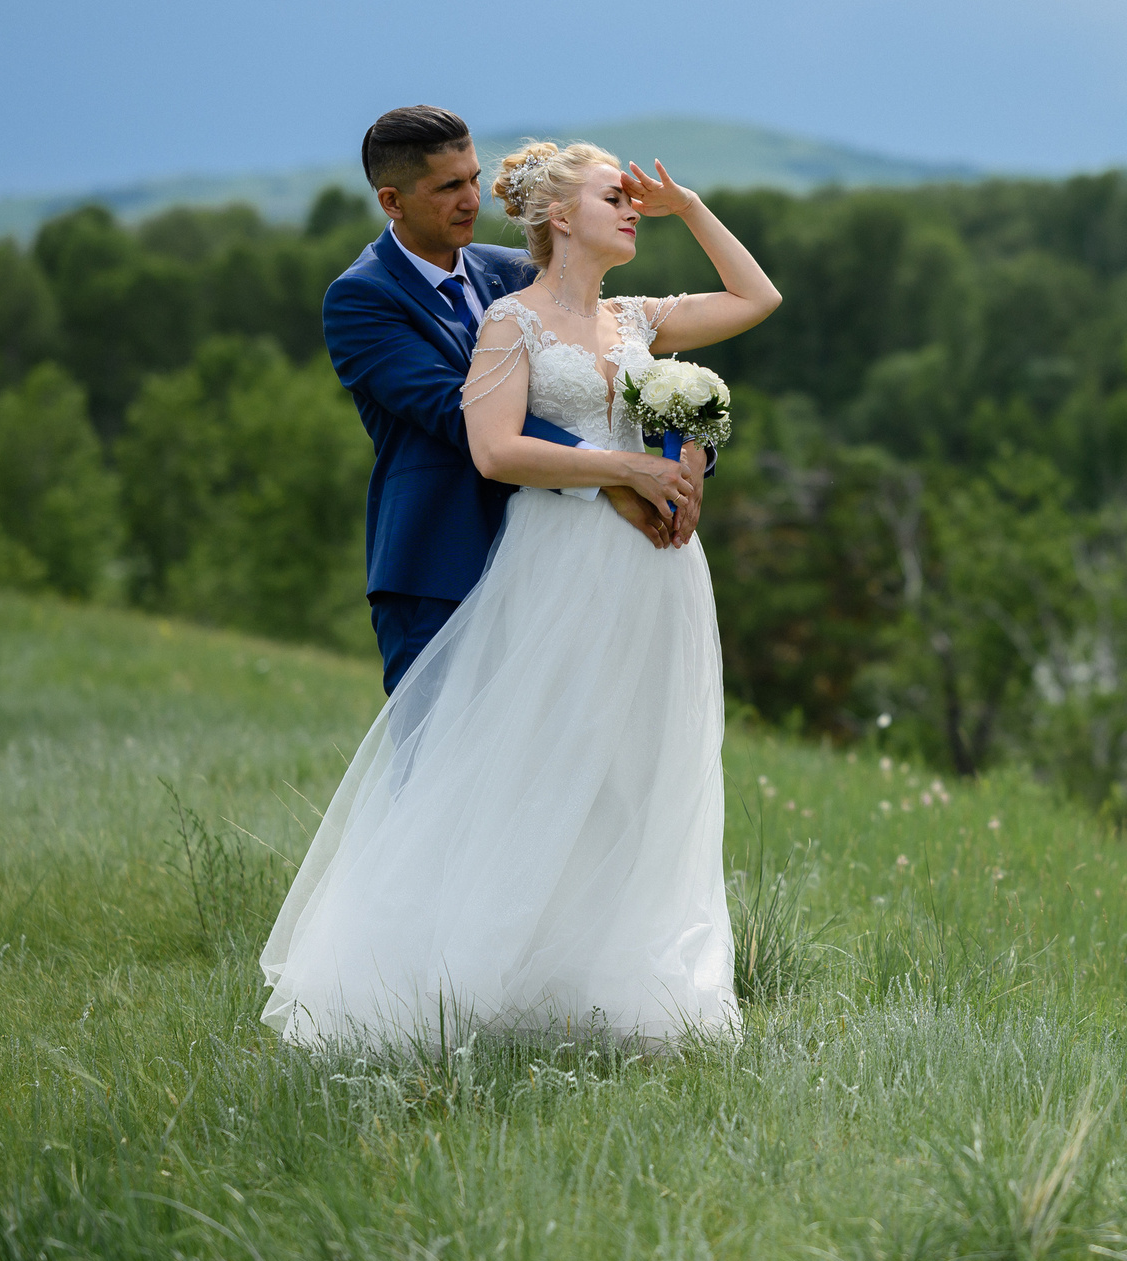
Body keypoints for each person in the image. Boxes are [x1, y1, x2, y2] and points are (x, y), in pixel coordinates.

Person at [261, 137, 781, 1047]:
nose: (631, 209)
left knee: (634, 776)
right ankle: (434, 986)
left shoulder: (616, 311)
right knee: (500, 769)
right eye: (613, 197)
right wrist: (623, 471)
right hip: (517, 558)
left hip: (652, 573)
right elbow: (483, 439)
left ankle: (600, 984)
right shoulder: (477, 312)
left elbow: (755, 301)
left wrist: (690, 211)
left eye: (473, 181)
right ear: (559, 216)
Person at [318, 104, 705, 694]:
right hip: (443, 558)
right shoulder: (360, 299)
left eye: (474, 178)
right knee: (440, 747)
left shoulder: (515, 271)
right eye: (448, 187)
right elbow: (458, 414)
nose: (472, 200)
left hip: (555, 558)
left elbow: (605, 366)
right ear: (392, 201)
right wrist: (616, 473)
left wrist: (688, 449)